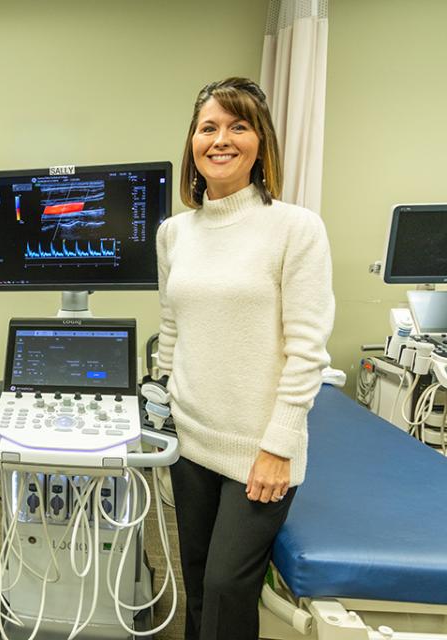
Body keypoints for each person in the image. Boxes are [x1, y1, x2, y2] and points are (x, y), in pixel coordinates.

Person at [155, 77, 334, 640]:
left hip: (259, 450)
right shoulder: (173, 233)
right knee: (200, 580)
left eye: (239, 126)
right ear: (192, 142)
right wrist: (157, 400)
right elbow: (171, 328)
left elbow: (307, 351)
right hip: (191, 439)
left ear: (262, 143)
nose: (221, 139)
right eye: (209, 127)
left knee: (231, 589)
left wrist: (279, 446)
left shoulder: (296, 228)